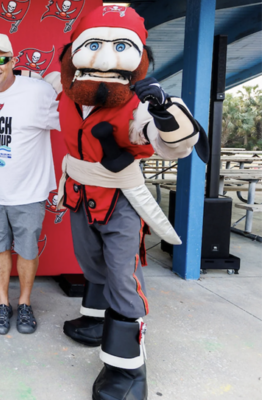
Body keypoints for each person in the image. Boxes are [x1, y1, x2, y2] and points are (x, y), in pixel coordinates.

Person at [54, 6, 208, 399]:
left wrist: (162, 108)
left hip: (120, 197)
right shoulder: (68, 91)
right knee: (90, 261)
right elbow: (43, 85)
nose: (105, 61)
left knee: (123, 277)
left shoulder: (138, 104)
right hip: (80, 191)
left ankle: (128, 373)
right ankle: (94, 322)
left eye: (119, 47)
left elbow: (173, 142)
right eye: (94, 47)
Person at [0, 33, 60, 335]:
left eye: (1, 59)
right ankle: (2, 304)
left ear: (13, 61)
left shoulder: (38, 92)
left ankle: (24, 303)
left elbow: (67, 122)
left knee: (27, 251)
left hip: (29, 192)